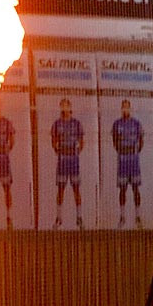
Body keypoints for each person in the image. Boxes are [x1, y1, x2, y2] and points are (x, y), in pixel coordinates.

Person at [109, 98, 144, 229]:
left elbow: (141, 140)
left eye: (127, 107)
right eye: (123, 107)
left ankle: (138, 217)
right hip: (122, 160)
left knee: (136, 188)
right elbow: (114, 140)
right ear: (121, 109)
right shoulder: (117, 124)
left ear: (130, 108)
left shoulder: (136, 123)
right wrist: (120, 149)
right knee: (122, 189)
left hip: (133, 160)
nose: (125, 109)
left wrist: (135, 151)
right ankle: (122, 217)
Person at [50, 97, 84, 229]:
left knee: (76, 188)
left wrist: (76, 152)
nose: (64, 108)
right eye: (62, 105)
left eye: (66, 105)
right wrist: (58, 150)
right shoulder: (57, 124)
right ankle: (59, 218)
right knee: (61, 189)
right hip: (62, 159)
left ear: (70, 108)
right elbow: (53, 141)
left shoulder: (76, 123)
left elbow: (82, 142)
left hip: (73, 160)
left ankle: (79, 218)